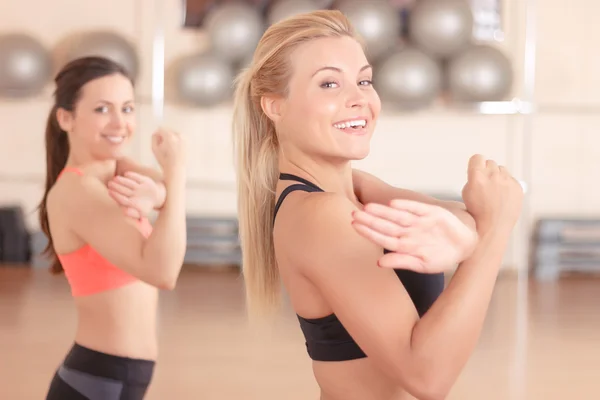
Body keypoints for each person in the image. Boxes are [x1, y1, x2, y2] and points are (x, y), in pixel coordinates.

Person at [232, 10, 523, 400]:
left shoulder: (354, 189)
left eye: (364, 80)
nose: (359, 99)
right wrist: (494, 233)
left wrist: (474, 236)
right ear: (275, 107)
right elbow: (426, 378)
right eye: (330, 83)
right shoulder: (320, 215)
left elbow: (464, 219)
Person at [39, 56, 188, 400]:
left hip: (118, 376)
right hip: (97, 379)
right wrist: (175, 174)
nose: (120, 123)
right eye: (102, 109)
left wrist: (162, 192)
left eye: (128, 108)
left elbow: (167, 199)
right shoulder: (77, 191)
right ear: (66, 118)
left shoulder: (117, 168)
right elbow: (163, 272)